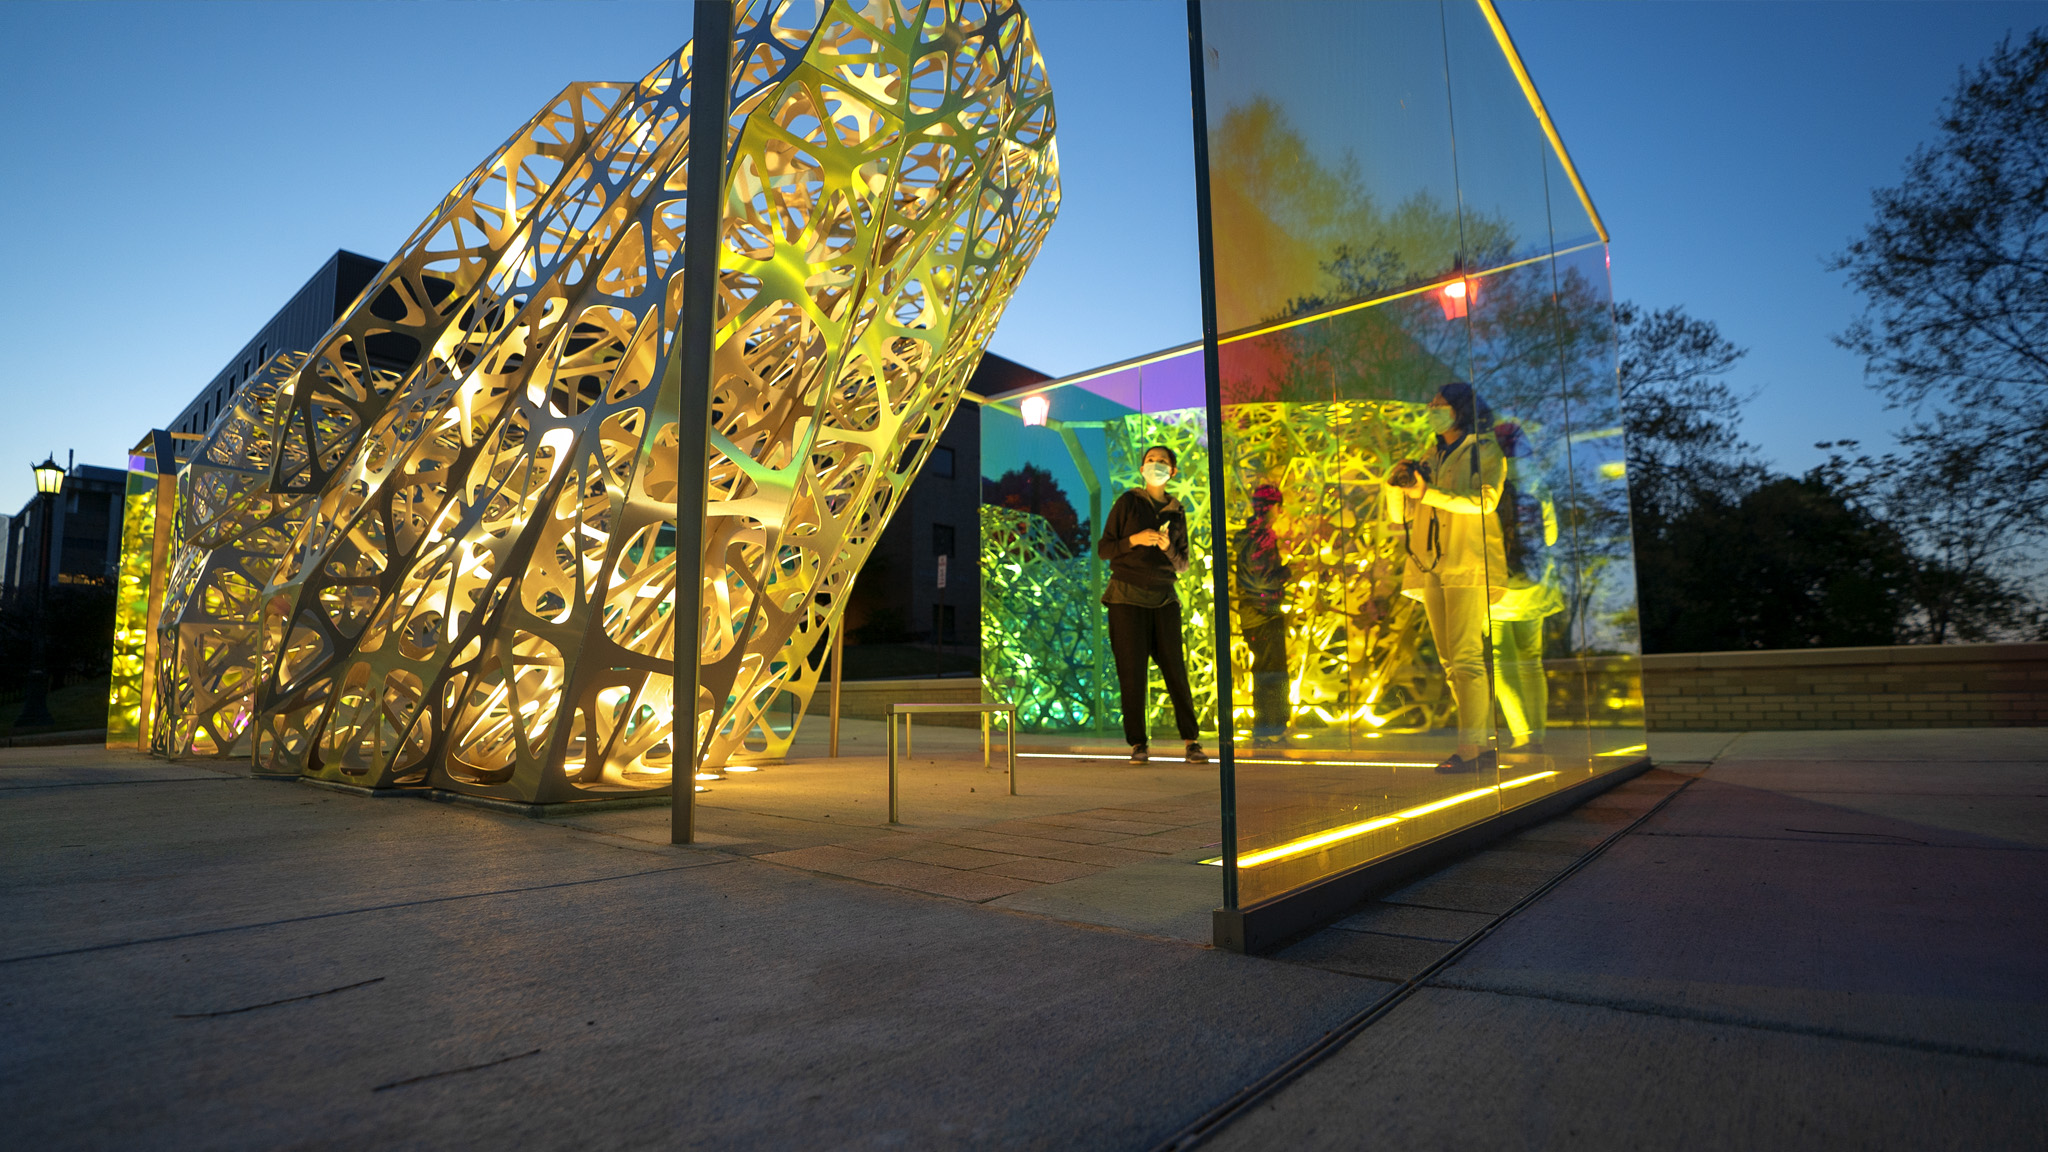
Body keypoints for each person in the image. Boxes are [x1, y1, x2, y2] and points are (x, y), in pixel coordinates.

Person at [1386, 381, 1506, 774]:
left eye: (1438, 404)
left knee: (1467, 657)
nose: (1431, 409)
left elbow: (1486, 502)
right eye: (1431, 403)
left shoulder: (1484, 450)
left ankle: (1473, 748)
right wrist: (1395, 483)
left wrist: (1429, 494)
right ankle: (1478, 743)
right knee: (1450, 660)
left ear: (1459, 410)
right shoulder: (1431, 454)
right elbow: (1399, 517)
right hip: (1431, 564)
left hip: (1467, 562)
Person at [1097, 444, 1205, 765]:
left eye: (1162, 462)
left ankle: (1191, 741)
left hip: (1163, 598)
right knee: (1131, 672)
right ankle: (1138, 744)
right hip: (1125, 597)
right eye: (1150, 461)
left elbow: (1183, 564)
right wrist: (1134, 540)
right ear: (1142, 469)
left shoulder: (1177, 511)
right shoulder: (1128, 502)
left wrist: (1168, 545)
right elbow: (1105, 549)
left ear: (1172, 472)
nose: (1155, 465)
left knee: (1175, 669)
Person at [1488, 421, 1565, 760]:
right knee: (1531, 660)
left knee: (1501, 661)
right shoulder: (1538, 484)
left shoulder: (1487, 483)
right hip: (1535, 582)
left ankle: (1522, 734)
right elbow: (1551, 537)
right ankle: (1539, 734)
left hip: (1496, 585)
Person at [1235, 484, 1292, 747]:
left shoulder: (1250, 536)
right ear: (1271, 508)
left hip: (1253, 615)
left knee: (1265, 672)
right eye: (1279, 505)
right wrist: (1288, 571)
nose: (1281, 511)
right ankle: (1270, 729)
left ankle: (1266, 728)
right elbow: (1262, 581)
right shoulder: (1263, 538)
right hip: (1263, 614)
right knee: (1272, 673)